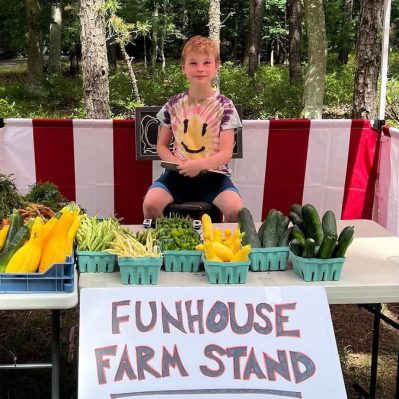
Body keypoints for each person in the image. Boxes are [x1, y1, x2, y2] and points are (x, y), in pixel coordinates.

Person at [142, 35, 244, 222]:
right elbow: (162, 146)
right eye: (193, 63)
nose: (200, 69)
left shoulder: (225, 106)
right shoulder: (173, 104)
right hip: (177, 177)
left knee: (236, 210)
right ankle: (162, 245)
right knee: (151, 204)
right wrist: (178, 164)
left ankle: (222, 248)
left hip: (214, 177)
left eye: (206, 62)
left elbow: (226, 152)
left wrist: (199, 165)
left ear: (216, 66)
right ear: (184, 68)